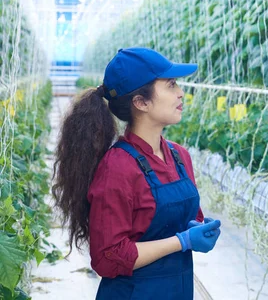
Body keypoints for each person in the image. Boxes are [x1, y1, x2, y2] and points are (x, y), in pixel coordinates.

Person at [52, 47, 221, 300]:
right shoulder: (117, 167)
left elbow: (182, 222)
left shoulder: (179, 156)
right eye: (171, 84)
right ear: (141, 102)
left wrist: (198, 229)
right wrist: (182, 241)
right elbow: (107, 257)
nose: (181, 93)